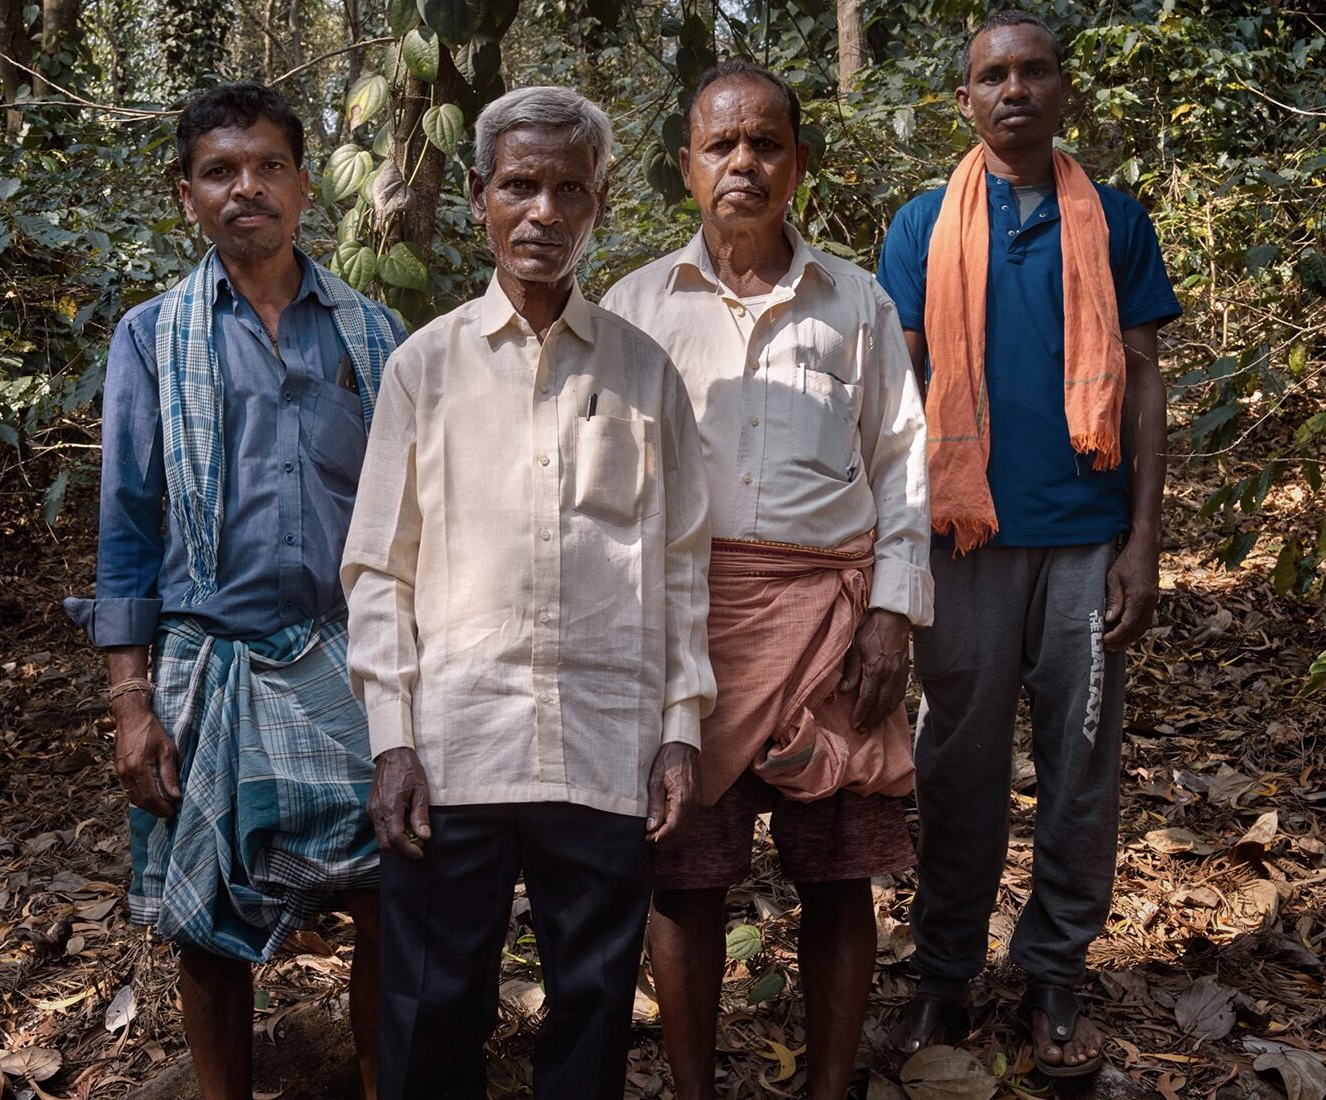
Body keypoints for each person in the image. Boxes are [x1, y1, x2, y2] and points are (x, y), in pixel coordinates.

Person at [342, 85, 715, 1100]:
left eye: (568, 189)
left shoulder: (645, 373)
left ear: (599, 202)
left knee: (592, 1007)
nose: (543, 212)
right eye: (518, 186)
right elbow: (378, 566)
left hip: (603, 742)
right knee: (430, 1005)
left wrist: (680, 727)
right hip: (453, 745)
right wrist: (392, 737)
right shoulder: (425, 367)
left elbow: (682, 563)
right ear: (478, 197)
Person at [63, 82, 406, 1100]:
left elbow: (417, 515)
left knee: (390, 900)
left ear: (304, 186)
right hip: (207, 662)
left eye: (268, 167)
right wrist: (131, 703)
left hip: (353, 658)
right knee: (206, 927)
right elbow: (127, 526)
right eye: (219, 171)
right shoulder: (152, 336)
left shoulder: (376, 333)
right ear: (187, 195)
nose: (245, 188)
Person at [603, 60, 932, 1100]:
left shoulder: (856, 302)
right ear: (686, 166)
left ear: (798, 162)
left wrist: (891, 613)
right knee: (684, 878)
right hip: (686, 628)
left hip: (832, 630)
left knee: (837, 873)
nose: (742, 161)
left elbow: (901, 459)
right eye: (720, 144)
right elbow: (601, 485)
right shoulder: (632, 307)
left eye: (765, 143)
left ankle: (829, 1086)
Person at [876, 10, 1181, 1079]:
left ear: (1063, 89)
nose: (1013, 89)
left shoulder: (1116, 220)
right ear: (964, 100)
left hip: (1085, 540)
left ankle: (1054, 970)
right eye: (992, 75)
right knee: (954, 767)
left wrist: (1143, 540)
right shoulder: (921, 226)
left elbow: (1140, 380)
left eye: (1033, 70)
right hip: (961, 537)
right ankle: (944, 972)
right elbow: (896, 398)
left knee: (1078, 765)